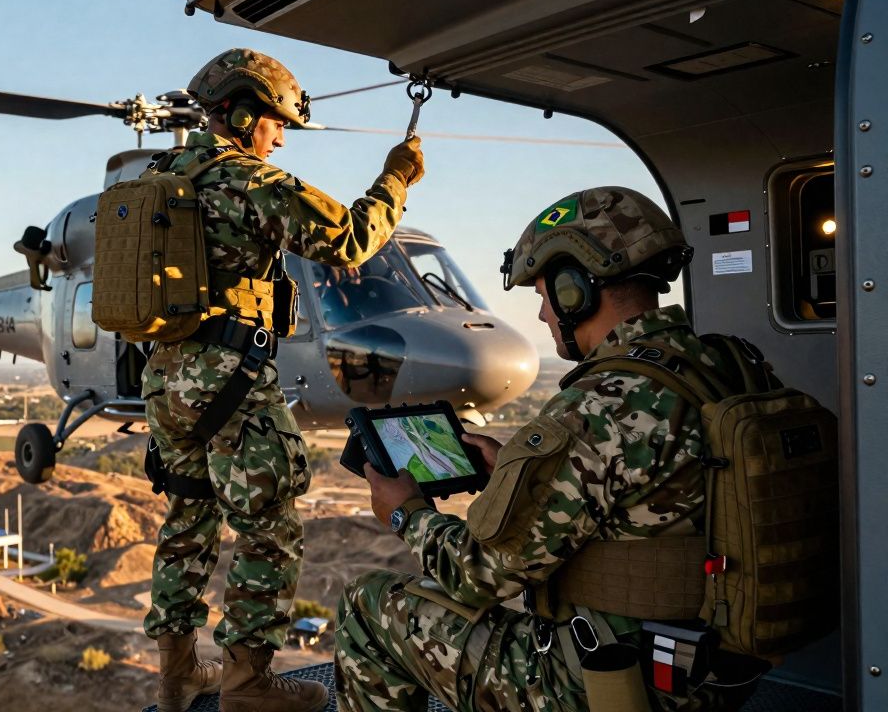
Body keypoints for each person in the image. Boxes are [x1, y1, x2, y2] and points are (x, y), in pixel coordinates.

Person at [334, 186, 755, 711]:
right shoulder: (731, 364)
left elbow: (476, 576)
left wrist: (406, 514)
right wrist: (516, 475)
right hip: (718, 670)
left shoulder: (601, 404)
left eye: (541, 295)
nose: (541, 317)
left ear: (574, 288)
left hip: (610, 683)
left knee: (370, 604)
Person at [144, 48, 424, 712]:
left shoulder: (163, 177)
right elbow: (353, 239)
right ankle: (246, 688)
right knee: (269, 527)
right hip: (231, 382)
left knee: (187, 517)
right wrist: (398, 177)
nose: (280, 136)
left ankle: (179, 675)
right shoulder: (248, 181)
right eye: (276, 123)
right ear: (241, 113)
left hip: (167, 383)